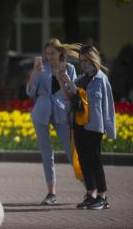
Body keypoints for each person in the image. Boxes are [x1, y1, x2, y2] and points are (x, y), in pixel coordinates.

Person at [57, 44, 115, 210]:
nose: (83, 63)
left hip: (94, 125)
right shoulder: (81, 78)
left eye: (85, 60)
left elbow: (100, 102)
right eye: (81, 61)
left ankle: (102, 196)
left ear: (93, 59)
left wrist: (109, 127)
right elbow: (69, 96)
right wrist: (62, 82)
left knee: (94, 159)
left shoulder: (101, 79)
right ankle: (90, 193)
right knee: (83, 159)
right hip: (78, 123)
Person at [26, 38, 80, 205]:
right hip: (41, 112)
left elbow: (73, 93)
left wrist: (63, 79)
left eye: (53, 53)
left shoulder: (69, 68)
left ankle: (90, 187)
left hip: (61, 112)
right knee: (46, 153)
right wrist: (35, 72)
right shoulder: (42, 68)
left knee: (71, 149)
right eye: (47, 53)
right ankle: (51, 193)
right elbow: (30, 92)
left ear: (60, 53)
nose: (49, 56)